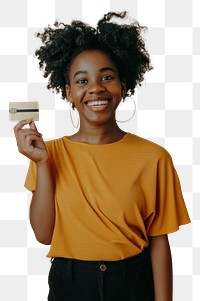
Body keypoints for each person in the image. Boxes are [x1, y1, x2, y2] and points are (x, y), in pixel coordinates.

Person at [14, 11, 190, 301]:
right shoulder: (47, 153)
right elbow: (44, 236)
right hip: (70, 283)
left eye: (106, 77)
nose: (96, 87)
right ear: (68, 92)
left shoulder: (154, 158)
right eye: (82, 81)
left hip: (133, 281)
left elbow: (159, 240)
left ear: (122, 87)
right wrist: (43, 164)